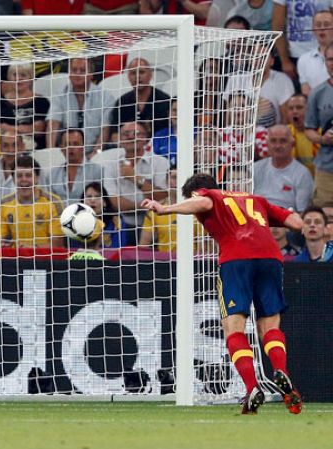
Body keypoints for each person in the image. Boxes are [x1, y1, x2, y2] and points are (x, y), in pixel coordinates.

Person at [142, 173, 304, 415]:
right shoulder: (255, 198)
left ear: (196, 192)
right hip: (271, 258)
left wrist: (165, 209)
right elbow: (296, 223)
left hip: (236, 260)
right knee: (270, 325)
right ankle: (282, 371)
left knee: (233, 328)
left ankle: (252, 388)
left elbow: (204, 203)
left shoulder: (209, 196)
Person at [0, 155, 64, 248]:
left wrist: (31, 249)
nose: (24, 179)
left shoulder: (53, 202)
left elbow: (57, 244)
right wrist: (3, 245)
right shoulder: (4, 204)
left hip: (46, 260)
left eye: (29, 175)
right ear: (13, 179)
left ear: (37, 178)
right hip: (16, 260)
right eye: (19, 176)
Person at [253, 125, 314, 212]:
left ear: (292, 144)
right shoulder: (255, 168)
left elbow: (302, 212)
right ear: (267, 144)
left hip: (287, 221)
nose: (277, 146)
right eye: (273, 141)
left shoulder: (302, 174)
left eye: (283, 141)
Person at [39, 129, 104, 204]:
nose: (71, 148)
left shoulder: (98, 171)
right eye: (67, 144)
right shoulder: (52, 174)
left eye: (75, 144)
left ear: (83, 147)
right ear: (61, 148)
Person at [304, 44, 333, 207]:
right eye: (330, 59)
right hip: (327, 168)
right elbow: (309, 129)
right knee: (325, 216)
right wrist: (323, 139)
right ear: (325, 62)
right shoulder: (317, 93)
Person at [297, 10, 333, 96]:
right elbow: (305, 91)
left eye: (327, 24)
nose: (322, 28)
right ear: (313, 29)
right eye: (318, 25)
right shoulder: (304, 60)